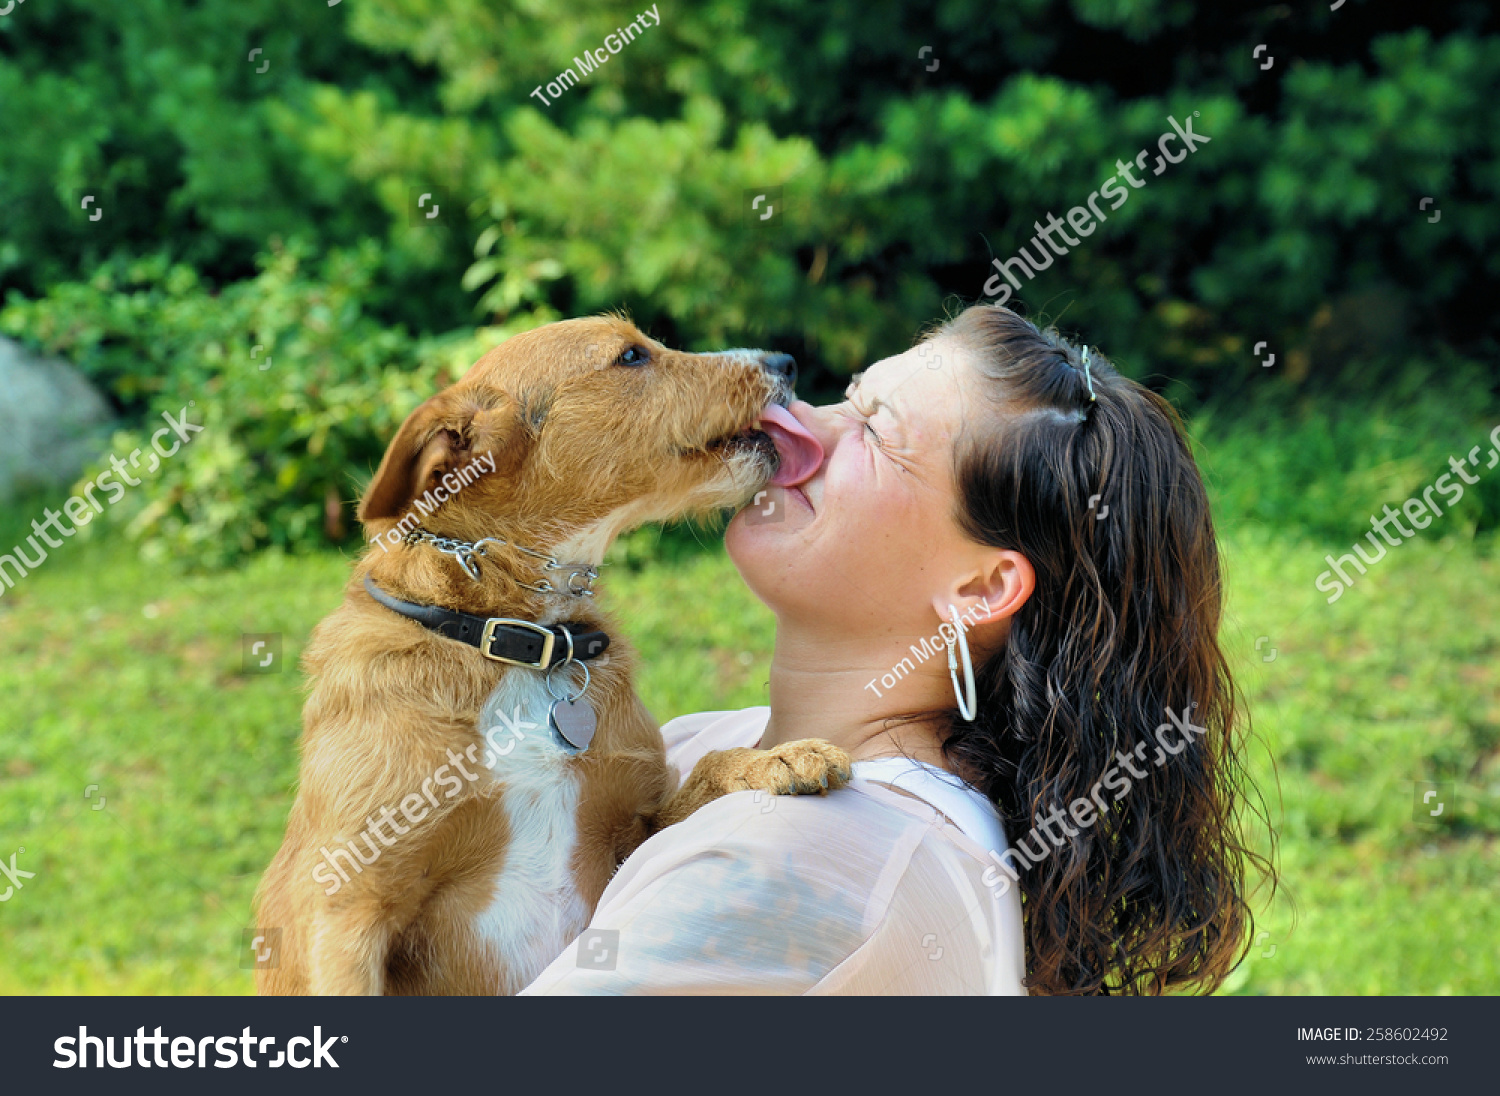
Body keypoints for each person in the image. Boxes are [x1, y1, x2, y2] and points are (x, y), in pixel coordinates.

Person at [520, 304, 1271, 995]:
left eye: (875, 432)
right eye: (847, 396)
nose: (797, 417)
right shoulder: (715, 748)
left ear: (980, 590)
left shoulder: (786, 859)